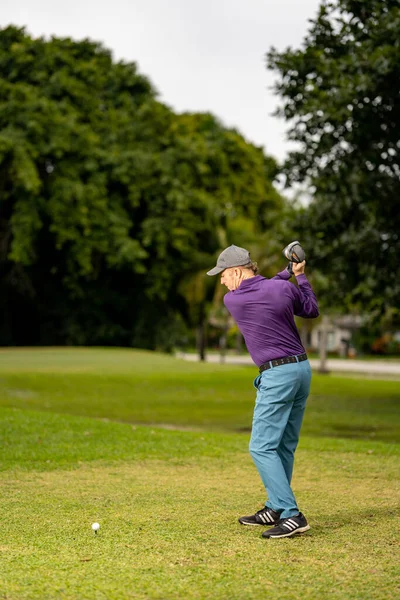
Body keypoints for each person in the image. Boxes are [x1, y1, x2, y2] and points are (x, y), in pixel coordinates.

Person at [207, 244, 319, 539]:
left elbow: (266, 286)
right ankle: (275, 507)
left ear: (234, 272)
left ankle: (292, 514)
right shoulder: (283, 290)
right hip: (301, 370)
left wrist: (286, 273)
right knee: (283, 445)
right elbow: (311, 309)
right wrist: (299, 275)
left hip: (278, 375)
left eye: (222, 275)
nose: (221, 281)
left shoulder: (233, 299)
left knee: (261, 446)